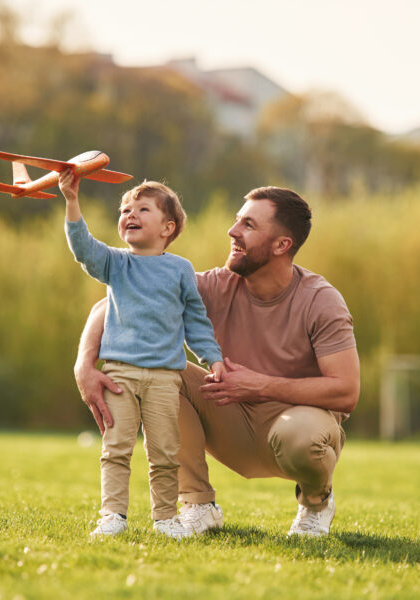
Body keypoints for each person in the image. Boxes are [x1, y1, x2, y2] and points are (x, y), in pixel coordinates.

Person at [74, 185, 360, 538]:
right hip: (230, 417)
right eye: (237, 221)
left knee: (300, 437)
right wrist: (84, 366)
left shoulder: (320, 300)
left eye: (249, 225)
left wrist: (260, 384)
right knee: (165, 375)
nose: (233, 231)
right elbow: (110, 305)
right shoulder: (214, 285)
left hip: (296, 427)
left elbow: (346, 391)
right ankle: (198, 504)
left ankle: (315, 504)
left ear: (281, 245)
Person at [59, 170, 225, 539]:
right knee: (116, 449)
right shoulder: (117, 263)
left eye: (142, 209)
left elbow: (196, 322)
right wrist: (72, 201)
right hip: (119, 375)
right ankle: (112, 516)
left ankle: (166, 518)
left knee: (165, 453)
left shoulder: (181, 270)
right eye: (125, 210)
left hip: (165, 379)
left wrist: (212, 358)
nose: (129, 215)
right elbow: (83, 248)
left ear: (168, 228)